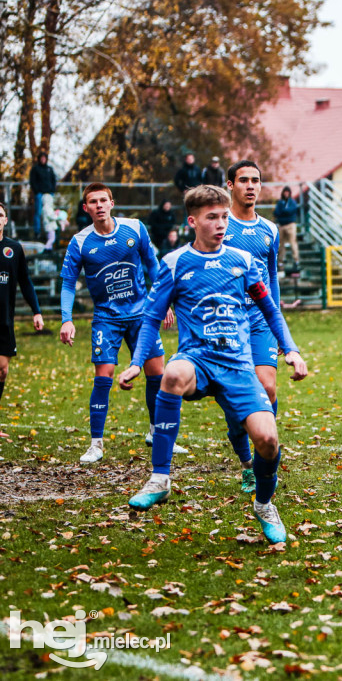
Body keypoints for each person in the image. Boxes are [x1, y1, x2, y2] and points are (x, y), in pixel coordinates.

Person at [117, 185, 308, 545]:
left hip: (238, 365)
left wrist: (290, 350)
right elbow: (150, 317)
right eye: (212, 218)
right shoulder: (174, 263)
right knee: (172, 374)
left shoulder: (243, 261)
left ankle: (265, 504)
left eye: (223, 217)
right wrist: (137, 362)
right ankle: (160, 477)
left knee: (267, 440)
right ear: (193, 221)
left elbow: (270, 309)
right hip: (197, 359)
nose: (221, 224)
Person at [59, 183, 179, 463]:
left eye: (103, 200)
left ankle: (155, 433)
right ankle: (96, 444)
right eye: (93, 201)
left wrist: (162, 302)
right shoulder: (80, 242)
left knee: (156, 374)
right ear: (86, 208)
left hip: (141, 315)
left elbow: (153, 265)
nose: (99, 205)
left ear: (112, 203)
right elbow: (68, 283)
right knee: (104, 376)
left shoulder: (134, 228)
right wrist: (67, 320)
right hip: (106, 318)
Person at [222, 160, 281, 493]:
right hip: (228, 322)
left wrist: (276, 313)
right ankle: (246, 460)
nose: (250, 185)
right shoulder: (218, 223)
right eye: (243, 180)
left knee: (267, 387)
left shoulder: (269, 229)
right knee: (234, 400)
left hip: (260, 320)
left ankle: (264, 457)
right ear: (230, 185)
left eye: (255, 180)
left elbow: (271, 275)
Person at [0, 201, 45, 436]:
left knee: (2, 370)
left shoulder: (13, 249)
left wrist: (36, 311)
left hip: (4, 321)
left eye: (0, 215)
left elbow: (26, 282)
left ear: (5, 220)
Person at [29, 152, 57, 240]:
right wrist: (37, 191)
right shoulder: (35, 169)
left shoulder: (49, 169)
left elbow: (53, 180)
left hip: (49, 194)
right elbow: (33, 181)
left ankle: (49, 232)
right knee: (38, 213)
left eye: (44, 158)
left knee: (49, 213)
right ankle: (37, 232)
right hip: (40, 194)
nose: (43, 160)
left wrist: (52, 190)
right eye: (41, 158)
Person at [273, 186, 301, 271]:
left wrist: (283, 212)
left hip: (290, 225)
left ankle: (296, 260)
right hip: (282, 225)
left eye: (287, 192)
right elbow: (276, 212)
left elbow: (291, 211)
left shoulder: (292, 202)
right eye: (285, 192)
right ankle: (280, 261)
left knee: (293, 243)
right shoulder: (280, 203)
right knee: (281, 244)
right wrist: (284, 211)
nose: (286, 194)